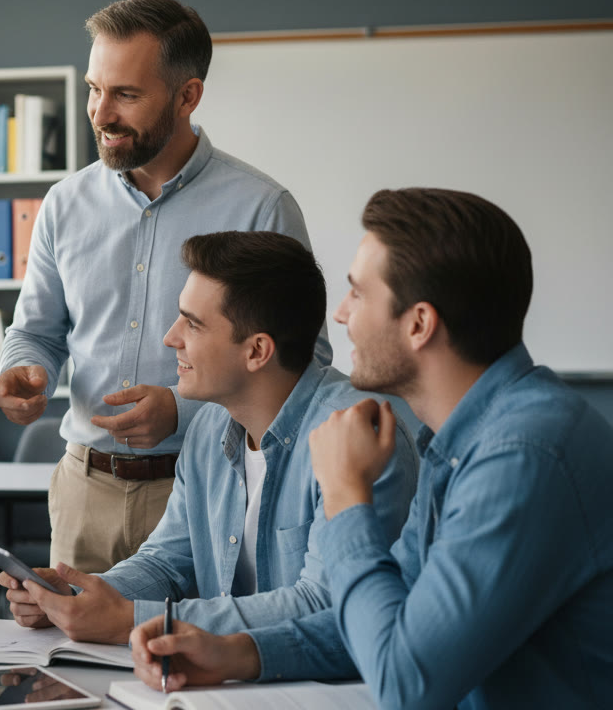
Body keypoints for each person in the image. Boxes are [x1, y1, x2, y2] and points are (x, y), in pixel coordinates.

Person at [131, 189, 613, 709]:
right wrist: (239, 653)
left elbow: (408, 681)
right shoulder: (459, 440)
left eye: (358, 295)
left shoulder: (525, 455)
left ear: (419, 324)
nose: (339, 316)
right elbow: (384, 619)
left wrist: (345, 497)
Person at [0, 0, 329, 573]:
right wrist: (26, 371)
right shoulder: (63, 204)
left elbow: (306, 369)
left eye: (125, 95)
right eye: (94, 89)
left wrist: (183, 411)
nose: (100, 113)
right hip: (83, 490)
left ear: (187, 96)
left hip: (208, 489)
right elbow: (36, 332)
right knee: (66, 657)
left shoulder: (261, 208)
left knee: (192, 657)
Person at [0, 232, 416, 645]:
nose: (170, 337)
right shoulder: (208, 428)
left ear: (256, 351)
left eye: (193, 324)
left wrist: (135, 619)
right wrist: (75, 596)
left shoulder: (359, 435)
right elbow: (168, 562)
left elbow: (323, 605)